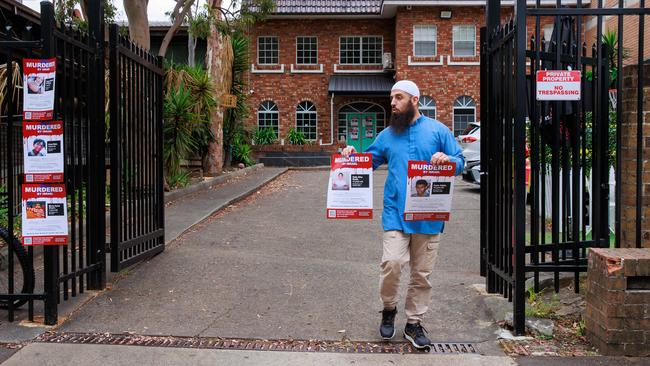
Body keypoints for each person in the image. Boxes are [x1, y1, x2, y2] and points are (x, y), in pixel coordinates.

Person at [342, 80, 464, 349]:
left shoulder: (438, 131)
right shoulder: (386, 135)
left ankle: (414, 323)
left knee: (422, 274)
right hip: (395, 214)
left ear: (415, 100)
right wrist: (351, 156)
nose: (393, 103)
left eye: (398, 97)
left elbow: (460, 162)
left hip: (429, 215)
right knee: (392, 263)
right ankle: (388, 309)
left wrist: (448, 160)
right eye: (391, 98)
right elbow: (367, 163)